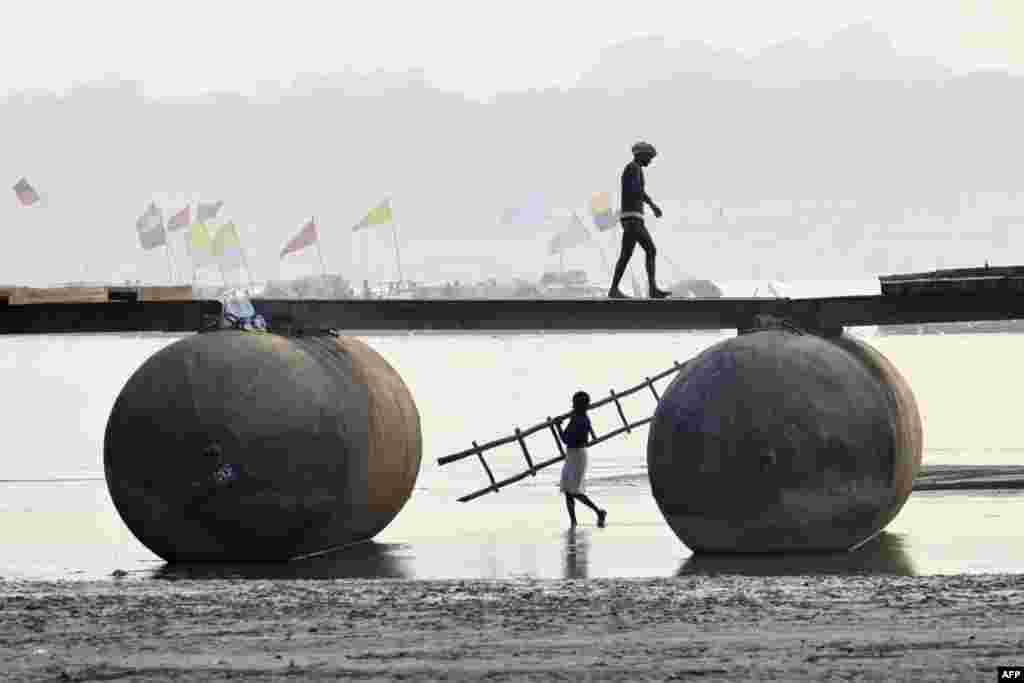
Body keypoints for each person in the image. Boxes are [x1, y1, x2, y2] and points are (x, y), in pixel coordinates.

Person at [609, 141, 672, 299]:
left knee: (625, 255)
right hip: (633, 219)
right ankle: (652, 290)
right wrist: (652, 205)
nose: (650, 161)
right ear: (640, 155)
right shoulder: (633, 168)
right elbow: (637, 190)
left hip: (631, 218)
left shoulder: (634, 169)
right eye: (649, 157)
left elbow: (638, 190)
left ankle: (613, 289)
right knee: (651, 250)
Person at [557, 391, 607, 528]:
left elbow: (566, 439)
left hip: (576, 456)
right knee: (568, 490)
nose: (572, 405)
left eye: (574, 403)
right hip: (575, 454)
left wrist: (558, 427)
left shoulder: (578, 419)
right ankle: (573, 521)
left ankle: (598, 511)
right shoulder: (582, 417)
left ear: (578, 405)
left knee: (574, 491)